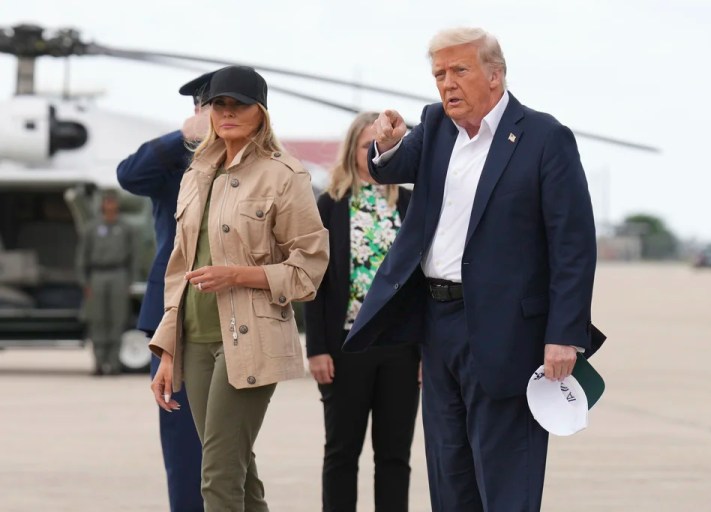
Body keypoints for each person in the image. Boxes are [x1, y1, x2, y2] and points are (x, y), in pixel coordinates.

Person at [343, 28, 606, 511]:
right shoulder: (436, 126)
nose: (447, 84)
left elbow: (573, 246)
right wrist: (385, 143)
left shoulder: (546, 138)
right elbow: (387, 170)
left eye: (459, 70)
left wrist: (564, 334)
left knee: (506, 478)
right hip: (437, 325)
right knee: (450, 475)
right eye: (439, 74)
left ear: (495, 74)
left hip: (509, 333)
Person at [149, 65, 329, 511]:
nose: (227, 112)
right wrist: (169, 350)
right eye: (219, 104)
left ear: (261, 113)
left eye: (239, 104)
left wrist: (238, 275)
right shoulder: (196, 174)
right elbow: (179, 270)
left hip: (250, 339)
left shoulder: (284, 175)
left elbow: (309, 269)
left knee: (218, 477)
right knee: (235, 468)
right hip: (194, 339)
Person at [304, 112, 420, 512]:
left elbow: (423, 281)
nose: (371, 151)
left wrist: (424, 351)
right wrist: (317, 347)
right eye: (363, 144)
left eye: (380, 143)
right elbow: (314, 283)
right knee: (341, 453)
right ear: (351, 150)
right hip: (345, 347)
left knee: (394, 457)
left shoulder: (409, 203)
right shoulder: (329, 205)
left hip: (401, 350)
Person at [116, 71, 214, 512]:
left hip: (234, 311)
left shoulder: (257, 164)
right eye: (211, 107)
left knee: (230, 439)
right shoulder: (174, 161)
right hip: (174, 315)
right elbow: (129, 175)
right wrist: (182, 137)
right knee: (182, 443)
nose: (219, 117)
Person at [76, 191, 136, 376]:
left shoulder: (126, 228)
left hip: (118, 274)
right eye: (107, 202)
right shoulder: (92, 228)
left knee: (117, 320)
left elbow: (134, 257)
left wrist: (129, 282)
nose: (110, 205)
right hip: (97, 276)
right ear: (102, 205)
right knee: (98, 321)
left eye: (113, 202)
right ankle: (100, 363)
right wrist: (84, 281)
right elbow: (82, 256)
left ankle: (114, 363)